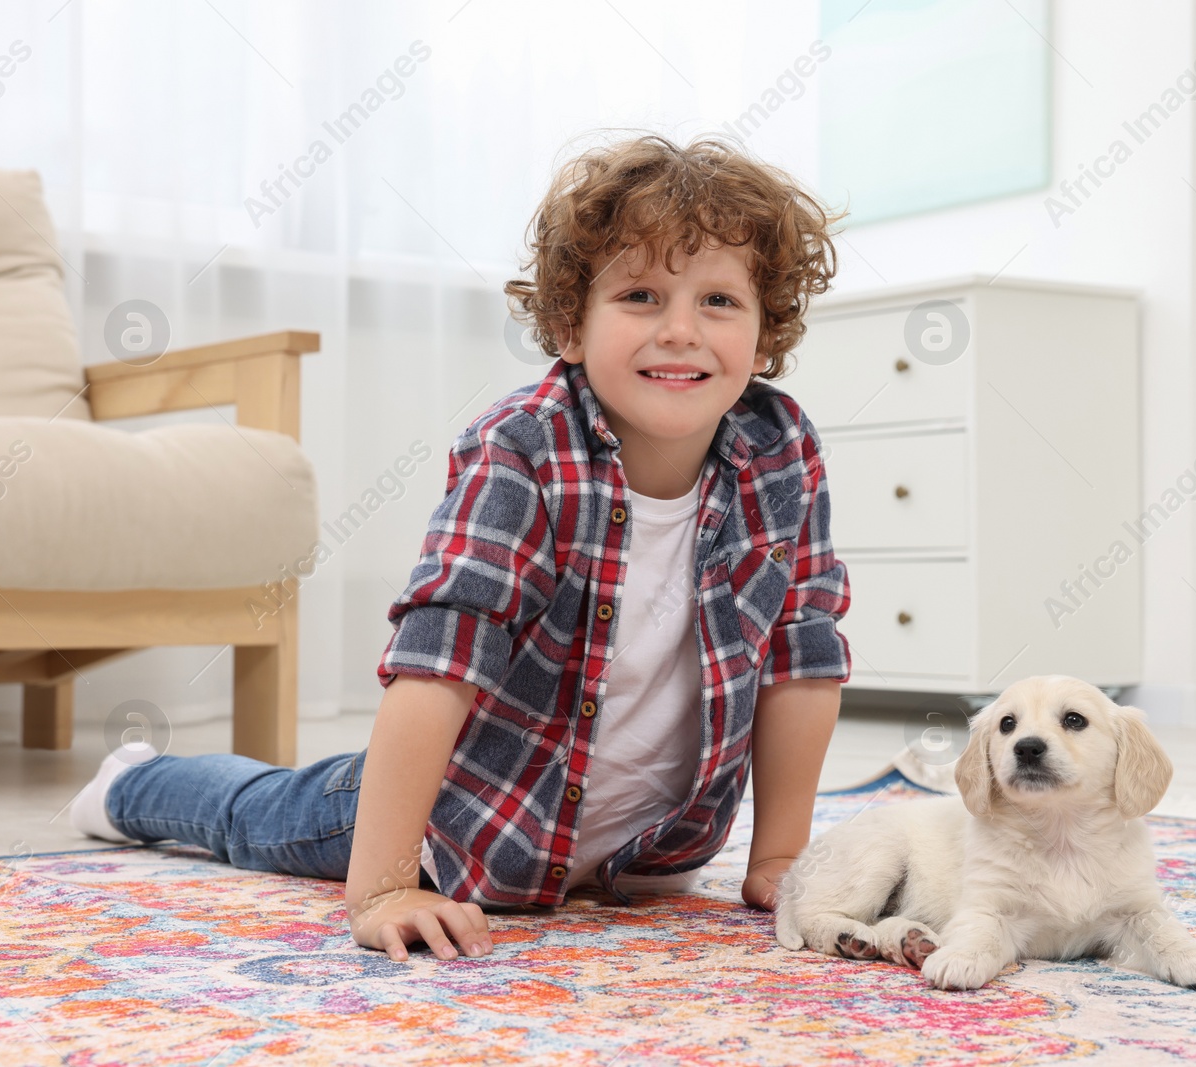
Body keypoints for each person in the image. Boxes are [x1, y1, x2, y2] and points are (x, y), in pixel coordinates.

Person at [69, 132, 852, 964]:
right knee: (266, 811)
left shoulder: (781, 446)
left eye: (720, 303)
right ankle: (129, 782)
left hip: (652, 852)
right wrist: (382, 885)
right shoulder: (523, 448)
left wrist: (777, 855)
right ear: (569, 325)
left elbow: (801, 650)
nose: (682, 331)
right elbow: (440, 659)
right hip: (471, 823)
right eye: (641, 296)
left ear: (766, 336)